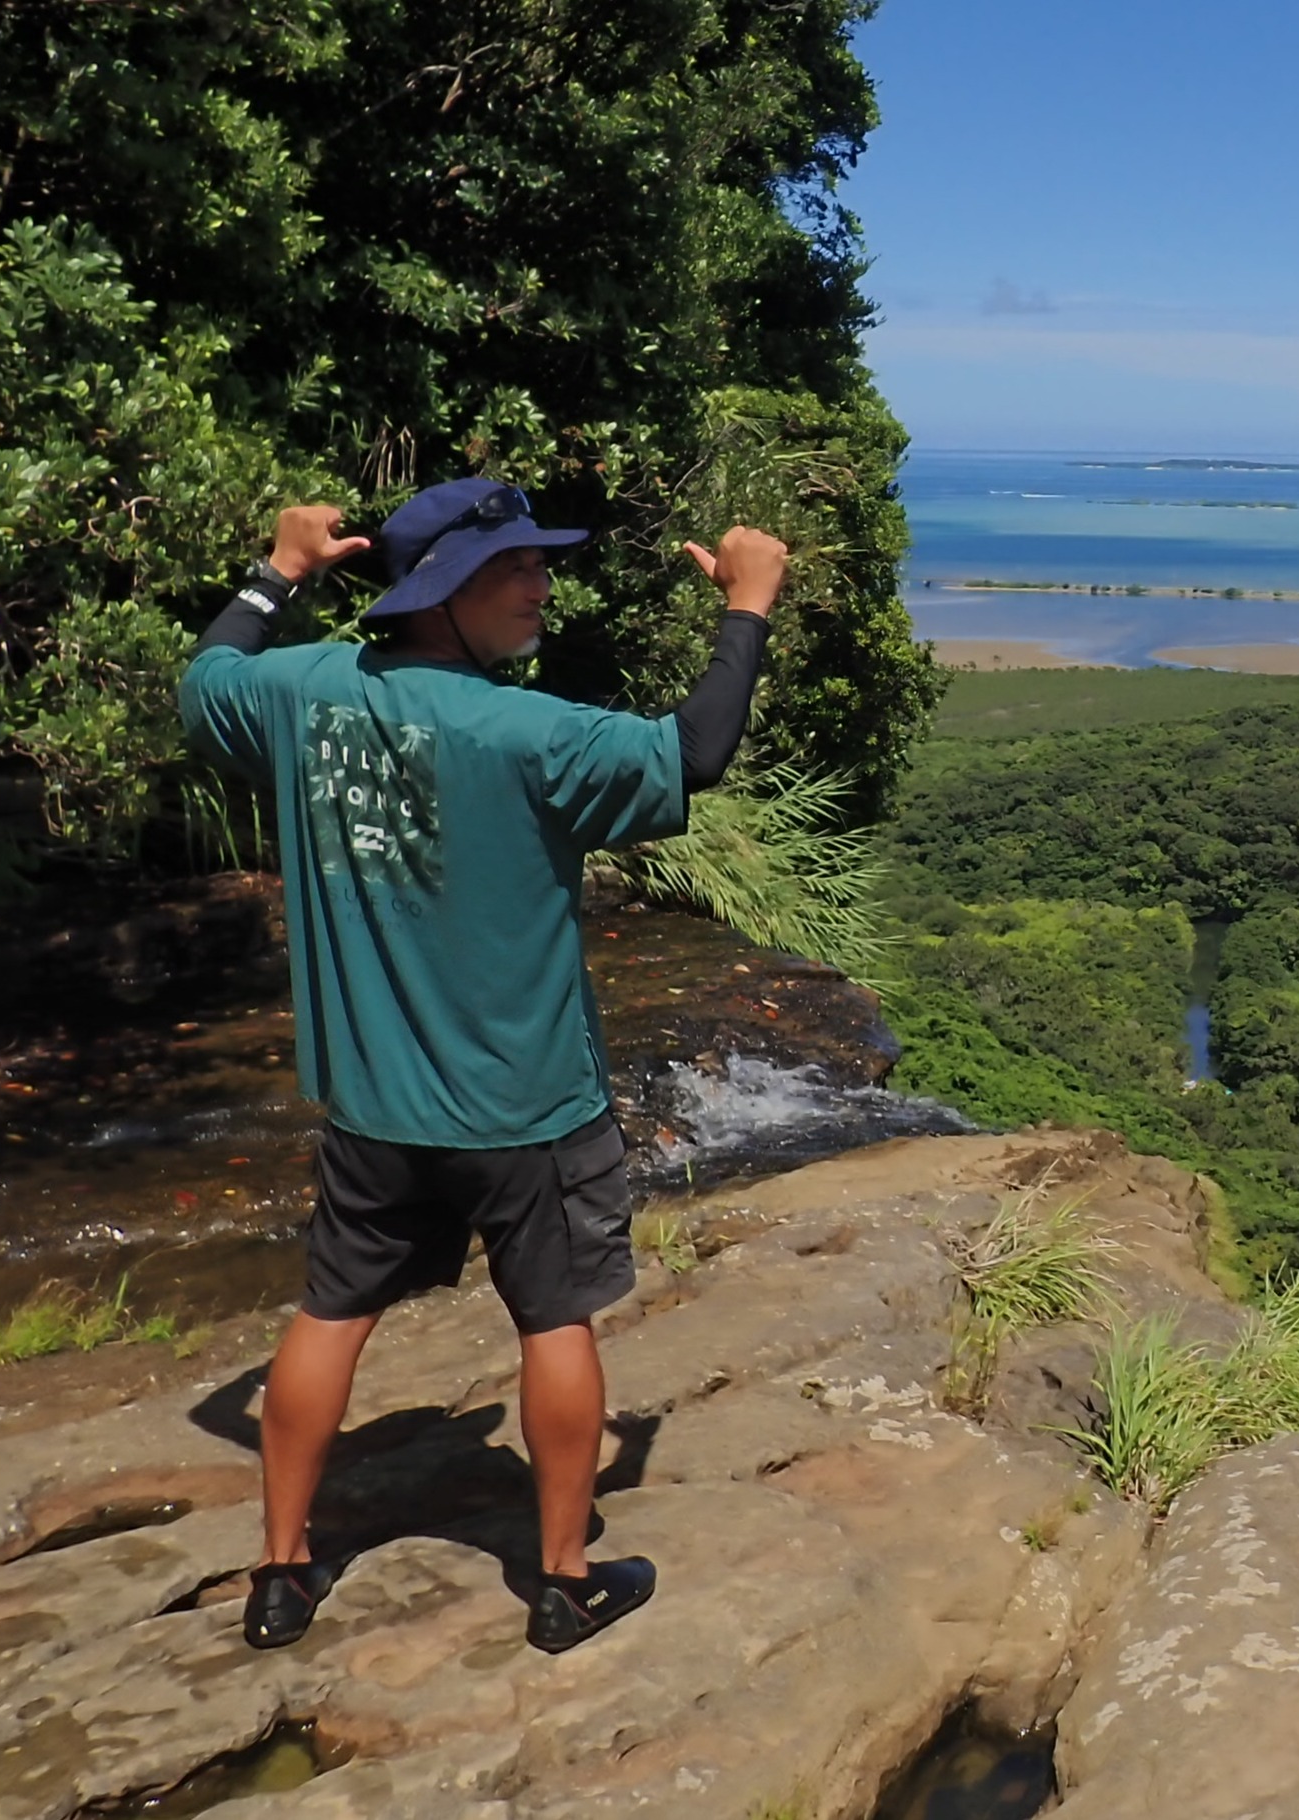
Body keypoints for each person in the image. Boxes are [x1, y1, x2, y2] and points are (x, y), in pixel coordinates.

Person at [179, 479, 786, 1653]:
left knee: (331, 1312)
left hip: (374, 1104)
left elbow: (207, 679)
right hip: (528, 1107)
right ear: (439, 590)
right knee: (555, 1321)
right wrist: (747, 606)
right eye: (514, 567)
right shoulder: (529, 734)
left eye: (539, 564)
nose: (541, 586)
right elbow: (695, 749)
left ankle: (282, 1573)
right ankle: (564, 1582)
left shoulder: (306, 692)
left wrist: (279, 568)